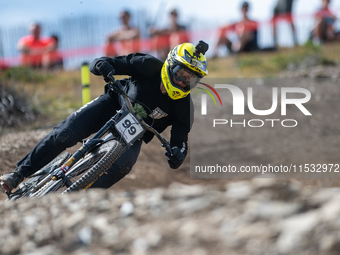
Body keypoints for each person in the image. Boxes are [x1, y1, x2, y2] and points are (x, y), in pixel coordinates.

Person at [0, 41, 209, 192]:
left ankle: (79, 198)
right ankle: (18, 174)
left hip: (133, 135)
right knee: (64, 133)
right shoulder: (147, 64)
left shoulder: (184, 108)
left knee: (123, 166)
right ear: (171, 63)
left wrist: (177, 154)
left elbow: (180, 141)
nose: (183, 82)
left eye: (190, 79)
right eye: (182, 73)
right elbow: (102, 62)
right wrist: (103, 66)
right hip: (111, 105)